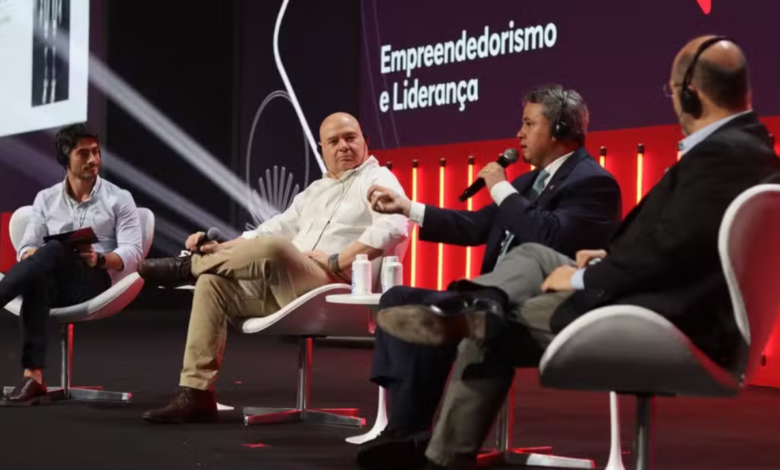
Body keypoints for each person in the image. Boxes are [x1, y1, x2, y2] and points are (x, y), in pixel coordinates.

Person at [376, 36, 780, 470]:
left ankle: (442, 452)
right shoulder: (747, 150)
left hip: (662, 317)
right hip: (655, 295)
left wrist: (589, 276)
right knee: (528, 260)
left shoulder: (717, 159)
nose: (519, 133)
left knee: (492, 330)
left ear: (689, 94)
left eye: (529, 123)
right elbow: (682, 244)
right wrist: (604, 261)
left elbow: (671, 249)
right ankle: (478, 303)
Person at [357, 85, 622, 469]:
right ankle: (407, 432)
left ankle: (470, 307)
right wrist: (408, 207)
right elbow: (473, 225)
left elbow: (548, 236)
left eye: (529, 123)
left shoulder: (593, 182)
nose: (518, 134)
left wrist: (498, 185)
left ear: (561, 128)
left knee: (480, 321)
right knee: (398, 298)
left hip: (542, 306)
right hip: (493, 302)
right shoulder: (527, 184)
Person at [138, 112, 408, 423]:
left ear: (365, 141)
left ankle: (188, 267)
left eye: (351, 138)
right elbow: (268, 230)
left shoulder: (378, 179)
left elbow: (395, 227)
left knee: (276, 249)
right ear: (322, 149)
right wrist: (220, 249)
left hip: (337, 289)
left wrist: (337, 260)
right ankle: (196, 394)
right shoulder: (314, 192)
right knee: (213, 284)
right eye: (334, 141)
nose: (344, 146)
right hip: (295, 288)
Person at [0, 124, 143, 404]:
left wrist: (99, 258)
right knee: (43, 266)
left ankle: (32, 378)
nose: (93, 160)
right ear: (66, 158)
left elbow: (133, 251)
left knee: (51, 253)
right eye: (83, 153)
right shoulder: (46, 199)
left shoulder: (119, 198)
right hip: (51, 279)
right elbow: (27, 246)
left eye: (96, 152)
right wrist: (35, 257)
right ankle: (33, 379)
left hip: (92, 280)